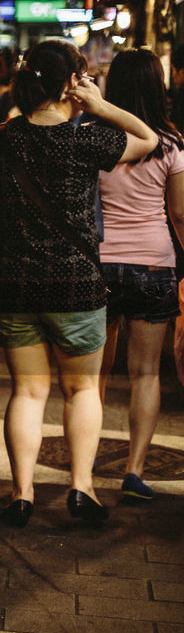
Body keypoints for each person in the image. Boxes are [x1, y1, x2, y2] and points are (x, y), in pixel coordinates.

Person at [0, 39, 157, 529]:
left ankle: (22, 493)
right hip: (77, 286)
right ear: (72, 83)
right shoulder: (87, 138)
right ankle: (81, 487)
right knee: (81, 390)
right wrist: (101, 105)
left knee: (27, 392)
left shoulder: (0, 138)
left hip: (18, 285)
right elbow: (148, 139)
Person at [97, 48, 184, 502]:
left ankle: (81, 460)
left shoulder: (94, 138)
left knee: (94, 372)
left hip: (100, 263)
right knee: (145, 373)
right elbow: (181, 213)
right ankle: (134, 471)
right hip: (154, 264)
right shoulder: (172, 144)